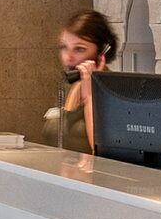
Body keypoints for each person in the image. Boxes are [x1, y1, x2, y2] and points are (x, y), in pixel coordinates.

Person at [45, 8, 118, 154]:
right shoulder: (69, 86)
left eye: (79, 49)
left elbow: (102, 151)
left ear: (102, 52)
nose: (68, 57)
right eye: (64, 47)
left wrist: (90, 95)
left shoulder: (113, 92)